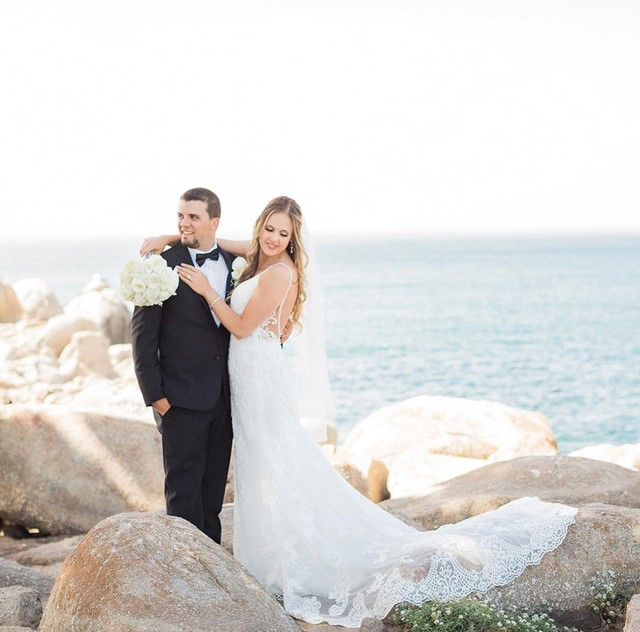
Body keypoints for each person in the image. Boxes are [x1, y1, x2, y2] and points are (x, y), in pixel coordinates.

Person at [142, 195, 578, 629]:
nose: (274, 238)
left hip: (259, 379)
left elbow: (239, 327)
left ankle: (301, 559)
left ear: (293, 240)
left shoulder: (279, 272)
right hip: (245, 380)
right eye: (269, 229)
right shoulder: (257, 254)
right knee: (260, 467)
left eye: (283, 233)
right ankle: (270, 556)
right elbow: (233, 245)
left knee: (277, 463)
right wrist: (172, 235)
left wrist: (204, 289)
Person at [131, 187, 235, 545]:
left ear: (214, 221)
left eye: (193, 216)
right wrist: (157, 398)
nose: (184, 223)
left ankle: (217, 578)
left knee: (212, 501)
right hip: (179, 400)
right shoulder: (160, 264)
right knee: (182, 501)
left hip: (225, 400)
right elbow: (142, 337)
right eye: (180, 216)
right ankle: (185, 577)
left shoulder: (237, 264)